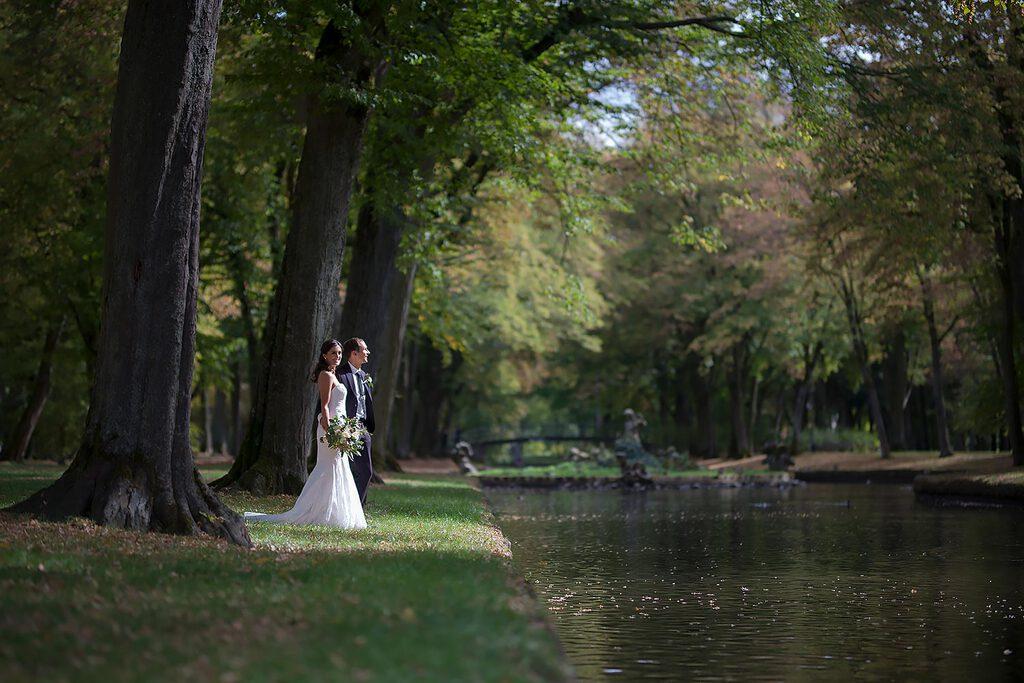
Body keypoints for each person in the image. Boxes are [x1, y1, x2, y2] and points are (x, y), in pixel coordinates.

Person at [244, 339, 366, 529]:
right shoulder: (325, 375)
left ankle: (334, 512)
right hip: (330, 428)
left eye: (340, 353)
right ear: (324, 355)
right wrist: (331, 429)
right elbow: (324, 405)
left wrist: (346, 429)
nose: (337, 356)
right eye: (333, 353)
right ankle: (315, 510)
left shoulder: (335, 375)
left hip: (340, 425)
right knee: (328, 467)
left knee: (339, 467)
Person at [335, 337, 375, 504]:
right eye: (365, 350)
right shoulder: (340, 374)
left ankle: (358, 509)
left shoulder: (364, 375)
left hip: (363, 429)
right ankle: (351, 508)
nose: (368, 352)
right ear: (354, 353)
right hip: (347, 428)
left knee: (367, 472)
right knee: (347, 471)